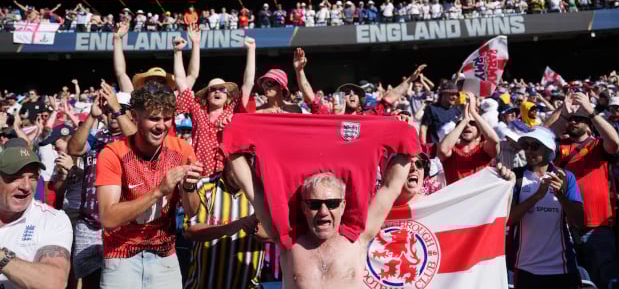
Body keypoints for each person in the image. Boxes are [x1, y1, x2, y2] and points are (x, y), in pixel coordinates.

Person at [227, 149, 417, 289]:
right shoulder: (288, 241)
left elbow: (391, 186)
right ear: (304, 207)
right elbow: (253, 190)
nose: (324, 211)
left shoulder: (359, 237)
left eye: (332, 203)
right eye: (315, 204)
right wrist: (233, 139)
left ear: (343, 206)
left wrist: (407, 139)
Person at [95, 82, 203, 289]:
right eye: (153, 118)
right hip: (121, 256)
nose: (161, 125)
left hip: (165, 257)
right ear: (134, 117)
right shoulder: (112, 153)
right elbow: (108, 218)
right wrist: (158, 192)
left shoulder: (182, 150)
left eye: (166, 118)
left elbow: (193, 210)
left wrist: (189, 188)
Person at [547, 91, 619, 288]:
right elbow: (542, 138)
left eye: (579, 119)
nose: (573, 123)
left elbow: (615, 142)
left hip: (597, 225)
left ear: (590, 123)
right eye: (571, 120)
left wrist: (591, 112)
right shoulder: (559, 147)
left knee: (603, 277)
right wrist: (563, 113)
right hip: (563, 225)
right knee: (571, 280)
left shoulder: (599, 145)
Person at [66, 84, 133, 289]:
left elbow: (140, 145)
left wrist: (117, 108)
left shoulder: (135, 139)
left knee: (119, 282)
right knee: (89, 282)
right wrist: (92, 117)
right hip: (89, 223)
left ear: (129, 111)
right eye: (111, 109)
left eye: (120, 108)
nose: (113, 113)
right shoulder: (97, 137)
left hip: (123, 225)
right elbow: (74, 149)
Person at [508, 127, 584, 289]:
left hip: (562, 268)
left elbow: (578, 221)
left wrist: (560, 195)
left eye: (534, 146)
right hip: (526, 268)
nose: (528, 151)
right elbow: (510, 219)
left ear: (549, 150)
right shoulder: (517, 176)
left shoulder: (565, 176)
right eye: (526, 146)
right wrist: (537, 196)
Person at [183, 155, 268, 289]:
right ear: (225, 159)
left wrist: (254, 227)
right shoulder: (204, 185)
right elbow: (191, 231)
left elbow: (275, 235)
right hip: (203, 285)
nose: (242, 167)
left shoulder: (263, 191)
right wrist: (232, 226)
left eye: (247, 160)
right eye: (238, 160)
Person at [174, 36, 255, 177]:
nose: (217, 91)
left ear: (228, 97)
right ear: (207, 95)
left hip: (227, 176)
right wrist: (177, 52)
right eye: (213, 89)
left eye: (222, 89)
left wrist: (251, 50)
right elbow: (181, 82)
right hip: (198, 174)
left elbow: (248, 83)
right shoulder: (197, 109)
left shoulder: (233, 110)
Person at [0, 142, 73, 289]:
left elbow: (54, 282)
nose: (26, 186)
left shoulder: (52, 219)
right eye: (16, 177)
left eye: (33, 177)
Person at [294, 47, 426, 115]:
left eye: (354, 92)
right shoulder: (328, 116)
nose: (351, 94)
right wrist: (299, 70)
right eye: (346, 93)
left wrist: (410, 80)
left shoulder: (369, 116)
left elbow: (389, 99)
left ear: (360, 102)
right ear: (339, 99)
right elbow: (311, 98)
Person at [437, 92, 501, 185]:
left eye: (472, 123)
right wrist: (464, 120)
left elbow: (495, 141)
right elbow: (443, 150)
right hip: (457, 198)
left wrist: (473, 112)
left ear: (479, 130)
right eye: (462, 124)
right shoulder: (451, 151)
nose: (467, 126)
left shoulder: (484, 149)